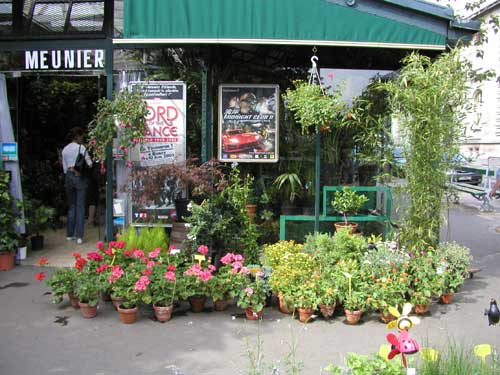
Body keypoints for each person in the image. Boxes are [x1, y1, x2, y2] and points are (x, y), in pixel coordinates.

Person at [62, 127, 92, 244]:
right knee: (80, 207)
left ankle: (69, 234)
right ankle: (79, 236)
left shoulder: (65, 149)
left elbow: (64, 168)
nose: (82, 138)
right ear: (78, 136)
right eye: (81, 136)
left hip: (68, 176)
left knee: (72, 206)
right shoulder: (81, 148)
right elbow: (89, 163)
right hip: (79, 177)